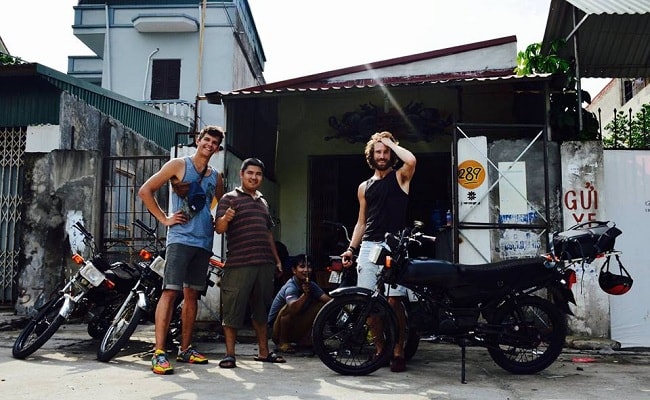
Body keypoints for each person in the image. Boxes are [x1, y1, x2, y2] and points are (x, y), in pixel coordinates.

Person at [138, 125, 225, 375]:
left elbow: (217, 202)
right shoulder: (178, 165)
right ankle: (159, 352)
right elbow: (146, 190)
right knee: (170, 292)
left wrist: (216, 219)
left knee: (192, 296)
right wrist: (164, 218)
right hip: (180, 239)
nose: (209, 144)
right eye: (206, 139)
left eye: (214, 142)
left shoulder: (215, 176)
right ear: (198, 140)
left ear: (218, 149)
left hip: (203, 242)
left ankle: (185, 349)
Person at [341, 131, 416, 373]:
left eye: (385, 152)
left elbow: (412, 160)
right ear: (371, 156)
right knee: (368, 303)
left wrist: (391, 143)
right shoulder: (364, 187)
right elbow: (361, 222)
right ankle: (380, 349)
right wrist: (352, 248)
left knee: (394, 301)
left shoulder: (401, 177)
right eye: (378, 152)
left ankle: (398, 350)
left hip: (395, 245)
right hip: (369, 246)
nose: (382, 156)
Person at [214, 157, 285, 368]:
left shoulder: (263, 202)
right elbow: (219, 229)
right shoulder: (229, 198)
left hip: (264, 263)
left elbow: (268, 234)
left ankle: (264, 352)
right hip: (239, 264)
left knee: (261, 310)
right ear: (241, 175)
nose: (254, 177)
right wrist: (226, 217)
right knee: (233, 309)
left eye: (258, 174)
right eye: (250, 173)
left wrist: (277, 260)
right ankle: (229, 355)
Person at [268, 254, 332, 353]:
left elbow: (328, 301)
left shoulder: (311, 285)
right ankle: (282, 342)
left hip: (295, 326)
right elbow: (293, 308)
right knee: (288, 308)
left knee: (320, 306)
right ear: (294, 270)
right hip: (277, 330)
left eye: (309, 267)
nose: (306, 270)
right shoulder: (291, 287)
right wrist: (305, 295)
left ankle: (304, 340)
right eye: (302, 267)